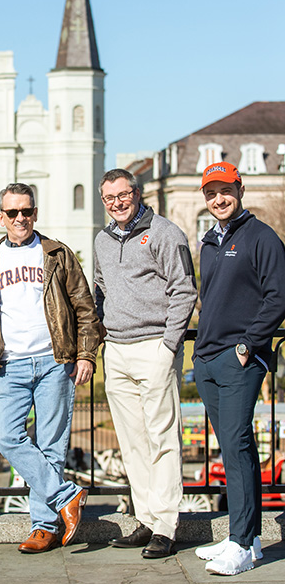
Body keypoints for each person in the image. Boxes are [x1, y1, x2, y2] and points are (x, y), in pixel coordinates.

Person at [0, 183, 100, 553]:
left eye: (26, 211)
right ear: (1, 217)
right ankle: (67, 497)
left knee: (51, 447)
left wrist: (86, 354)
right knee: (3, 434)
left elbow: (84, 307)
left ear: (35, 213)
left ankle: (44, 527)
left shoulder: (57, 254)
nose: (20, 219)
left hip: (53, 361)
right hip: (9, 365)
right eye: (12, 213)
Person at [94, 168, 197, 558]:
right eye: (109, 198)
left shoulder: (166, 233)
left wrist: (169, 346)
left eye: (123, 195)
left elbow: (184, 291)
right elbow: (100, 287)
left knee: (162, 438)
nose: (117, 203)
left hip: (156, 345)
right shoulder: (103, 239)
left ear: (136, 194)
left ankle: (166, 526)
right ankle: (148, 518)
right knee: (133, 442)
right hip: (117, 350)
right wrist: (105, 332)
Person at [193, 162, 285, 576]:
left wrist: (247, 345)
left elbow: (277, 297)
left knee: (237, 447)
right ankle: (243, 538)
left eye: (225, 190)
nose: (219, 199)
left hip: (239, 359)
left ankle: (243, 544)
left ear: (240, 188)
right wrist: (200, 356)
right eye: (211, 193)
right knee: (234, 450)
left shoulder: (262, 237)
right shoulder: (209, 242)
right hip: (208, 358)